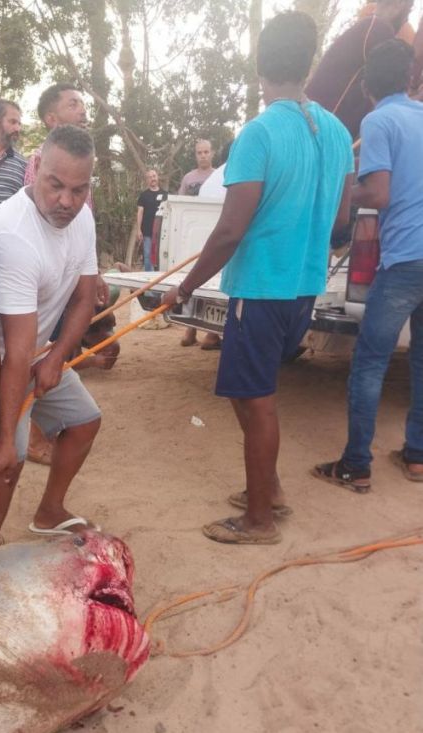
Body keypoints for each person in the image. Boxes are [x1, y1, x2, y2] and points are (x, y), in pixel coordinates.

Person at [162, 10, 353, 545]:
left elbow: (229, 230)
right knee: (255, 394)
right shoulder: (337, 131)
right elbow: (341, 219)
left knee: (255, 398)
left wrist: (186, 285)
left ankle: (260, 520)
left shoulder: (260, 133)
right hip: (303, 286)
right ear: (308, 64)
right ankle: (268, 494)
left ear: (261, 69)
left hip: (262, 286)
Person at [0, 125, 102, 547]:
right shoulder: (13, 236)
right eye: (55, 186)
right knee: (6, 459)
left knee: (85, 421)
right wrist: (2, 433)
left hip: (33, 350)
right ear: (34, 169)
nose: (66, 201)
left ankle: (50, 512)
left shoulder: (82, 216)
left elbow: (86, 296)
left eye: (78, 189)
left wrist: (56, 358)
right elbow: (13, 353)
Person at [314, 40, 423, 491]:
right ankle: (417, 456)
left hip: (405, 263)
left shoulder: (379, 119)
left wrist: (339, 193)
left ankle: (356, 464)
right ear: (411, 78)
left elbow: (377, 195)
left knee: (370, 361)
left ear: (366, 86)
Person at [23, 82, 118, 465]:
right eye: (73, 104)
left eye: (82, 103)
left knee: (63, 342)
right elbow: (40, 222)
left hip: (73, 267)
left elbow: (84, 221)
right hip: (45, 272)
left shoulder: (84, 163)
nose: (82, 110)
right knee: (35, 349)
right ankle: (32, 435)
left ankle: (52, 423)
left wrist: (92, 271)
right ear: (51, 119)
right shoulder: (37, 163)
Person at [305, 0, 413, 139]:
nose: (406, 20)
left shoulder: (368, 26)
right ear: (399, 5)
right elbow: (392, 91)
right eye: (409, 12)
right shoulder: (378, 29)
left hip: (312, 120)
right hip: (321, 129)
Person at [179, 139, 222, 350]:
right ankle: (190, 329)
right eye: (199, 152)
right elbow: (180, 204)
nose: (203, 155)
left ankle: (212, 334)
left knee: (211, 279)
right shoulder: (189, 179)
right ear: (195, 155)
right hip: (192, 233)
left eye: (206, 151)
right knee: (191, 277)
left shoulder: (219, 176)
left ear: (212, 153)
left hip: (213, 233)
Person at [136, 170, 167, 272]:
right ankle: (148, 280)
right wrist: (138, 230)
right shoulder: (143, 195)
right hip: (147, 231)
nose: (152, 178)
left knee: (162, 255)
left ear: (157, 177)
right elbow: (140, 212)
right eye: (149, 177)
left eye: (154, 176)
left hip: (162, 232)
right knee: (148, 255)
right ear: (147, 180)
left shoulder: (165, 194)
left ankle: (160, 278)